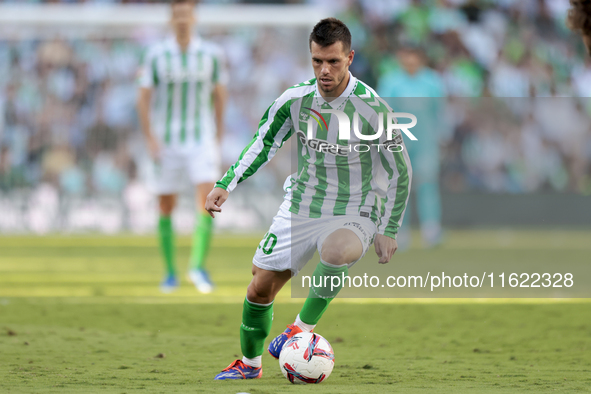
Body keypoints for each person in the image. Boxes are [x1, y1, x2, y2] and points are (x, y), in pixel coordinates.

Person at [205, 18, 412, 380]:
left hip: (355, 208)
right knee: (259, 289)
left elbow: (400, 171)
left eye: (333, 61)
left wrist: (390, 227)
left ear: (350, 57)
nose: (324, 70)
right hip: (302, 204)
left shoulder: (373, 110)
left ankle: (299, 330)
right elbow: (263, 143)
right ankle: (250, 365)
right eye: (317, 61)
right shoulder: (295, 99)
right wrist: (227, 183)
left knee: (336, 252)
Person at [137, 0, 227, 294]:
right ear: (171, 19)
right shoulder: (156, 55)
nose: (182, 19)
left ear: (194, 16)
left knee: (208, 199)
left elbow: (220, 95)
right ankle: (170, 273)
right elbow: (144, 98)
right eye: (177, 14)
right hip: (168, 141)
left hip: (201, 139)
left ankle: (197, 267)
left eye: (186, 13)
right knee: (166, 204)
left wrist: (218, 134)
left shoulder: (211, 55)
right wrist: (150, 137)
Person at [378, 45, 445, 248]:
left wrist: (442, 138)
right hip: (398, 143)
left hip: (426, 143)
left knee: (427, 184)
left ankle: (431, 230)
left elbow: (440, 113)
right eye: (406, 56)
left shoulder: (432, 82)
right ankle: (398, 232)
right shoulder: (391, 82)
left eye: (414, 55)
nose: (410, 60)